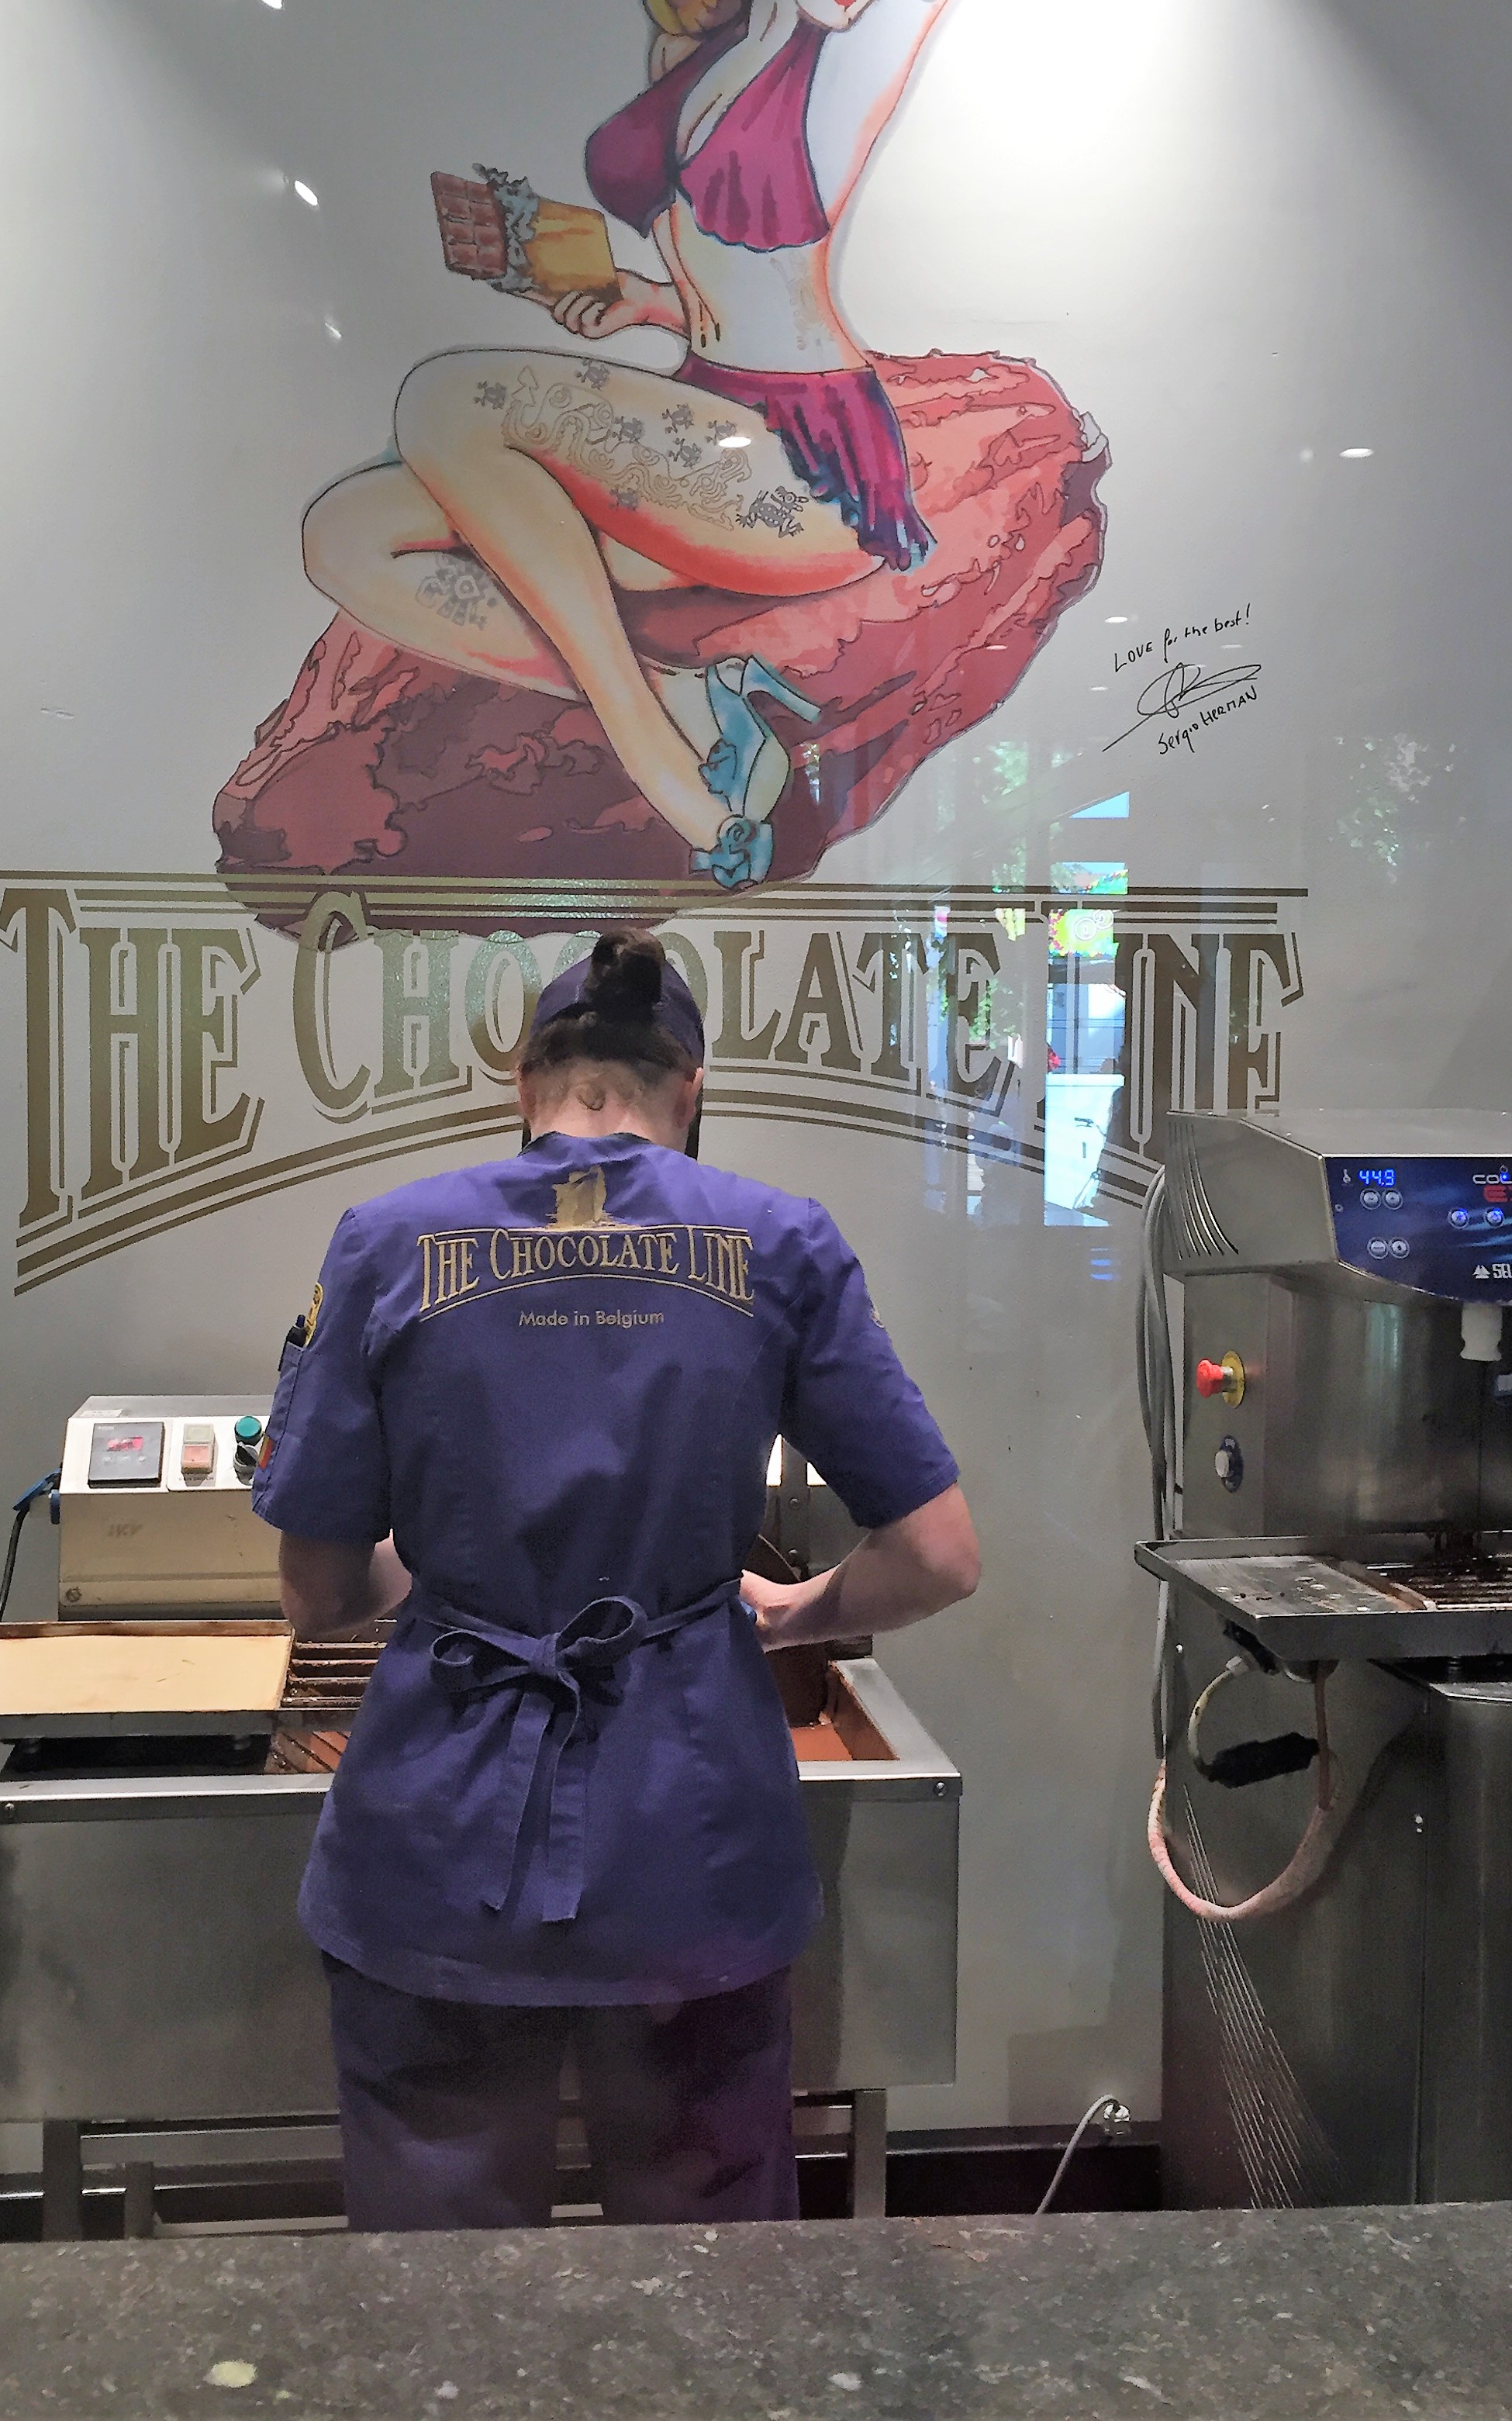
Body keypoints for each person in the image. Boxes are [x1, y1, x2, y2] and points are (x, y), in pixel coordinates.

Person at [253, 929, 979, 2229]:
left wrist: (443, 1564)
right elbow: (937, 1556)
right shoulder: (779, 1242)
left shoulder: (387, 1241)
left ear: (523, 1081)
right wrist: (795, 1614)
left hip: (439, 1850)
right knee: (708, 2278)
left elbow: (317, 1593)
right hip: (690, 1847)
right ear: (689, 1087)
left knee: (440, 2280)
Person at [299, 0, 1018, 890]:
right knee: (347, 532)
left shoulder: (852, 62)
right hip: (705, 429)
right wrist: (643, 302)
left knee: (445, 401)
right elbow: (735, 286)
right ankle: (691, 697)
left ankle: (664, 766)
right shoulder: (702, 58)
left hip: (805, 458)